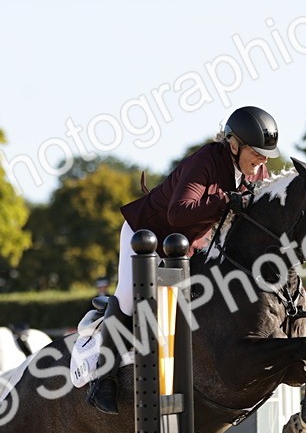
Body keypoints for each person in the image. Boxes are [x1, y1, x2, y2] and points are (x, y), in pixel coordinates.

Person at [88, 105, 279, 414]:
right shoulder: (205, 161)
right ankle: (102, 378)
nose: (262, 160)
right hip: (146, 234)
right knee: (127, 297)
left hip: (186, 246)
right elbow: (178, 214)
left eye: (266, 154)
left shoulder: (256, 172)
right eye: (257, 152)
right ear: (233, 144)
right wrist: (224, 200)